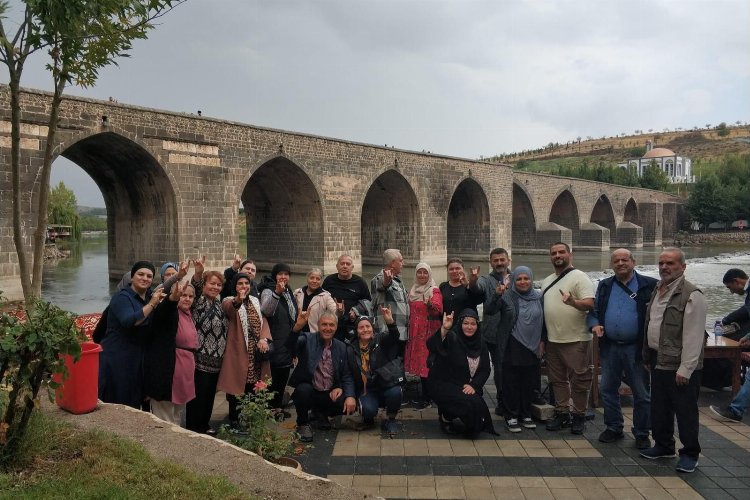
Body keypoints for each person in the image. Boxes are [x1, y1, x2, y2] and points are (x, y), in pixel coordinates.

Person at [640, 248, 707, 474]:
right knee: (660, 407)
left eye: (670, 263)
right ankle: (664, 445)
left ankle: (690, 454)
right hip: (660, 359)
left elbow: (694, 336)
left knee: (685, 410)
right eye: (661, 263)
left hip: (680, 364)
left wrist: (686, 369)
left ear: (683, 267)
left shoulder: (692, 294)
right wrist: (648, 356)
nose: (664, 268)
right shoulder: (658, 290)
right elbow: (653, 324)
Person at [587, 249, 657, 449]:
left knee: (641, 393)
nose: (620, 263)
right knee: (608, 389)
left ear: (633, 262)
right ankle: (614, 427)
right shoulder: (605, 285)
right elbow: (594, 312)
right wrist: (594, 324)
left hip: (636, 349)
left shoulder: (649, 285)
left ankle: (642, 432)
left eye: (624, 260)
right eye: (616, 260)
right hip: (610, 347)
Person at [541, 242, 595, 435]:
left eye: (561, 252)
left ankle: (579, 416)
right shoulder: (547, 281)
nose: (557, 255)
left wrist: (573, 302)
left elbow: (589, 303)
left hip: (576, 338)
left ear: (570, 254)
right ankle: (562, 413)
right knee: (558, 380)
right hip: (553, 339)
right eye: (554, 253)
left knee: (580, 380)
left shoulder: (580, 277)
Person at [99, 260, 166, 409]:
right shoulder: (121, 297)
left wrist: (180, 276)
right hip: (117, 358)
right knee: (117, 402)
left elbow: (165, 287)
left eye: (149, 276)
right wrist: (153, 304)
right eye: (140, 274)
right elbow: (130, 321)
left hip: (137, 359)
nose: (145, 278)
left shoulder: (148, 296)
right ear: (132, 277)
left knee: (134, 401)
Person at [289, 311, 356, 443]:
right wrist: (297, 328)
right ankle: (302, 423)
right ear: (318, 326)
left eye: (331, 325)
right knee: (303, 390)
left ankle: (320, 414)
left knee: (345, 401)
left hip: (328, 392)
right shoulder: (307, 339)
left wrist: (349, 395)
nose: (328, 328)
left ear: (336, 327)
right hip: (310, 390)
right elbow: (290, 347)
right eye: (324, 324)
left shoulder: (341, 347)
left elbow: (346, 374)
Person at [427, 309, 496, 437]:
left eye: (473, 324)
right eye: (466, 323)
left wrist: (474, 385)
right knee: (470, 403)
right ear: (460, 324)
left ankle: (468, 422)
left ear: (477, 325)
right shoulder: (452, 337)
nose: (469, 327)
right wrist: (444, 329)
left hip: (466, 385)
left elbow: (485, 369)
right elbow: (431, 345)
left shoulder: (481, 343)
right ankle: (446, 417)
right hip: (445, 384)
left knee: (477, 406)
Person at [492, 266, 544, 433]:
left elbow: (545, 320)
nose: (523, 282)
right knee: (511, 382)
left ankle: (526, 413)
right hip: (512, 343)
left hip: (533, 345)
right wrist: (497, 294)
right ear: (514, 280)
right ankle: (511, 415)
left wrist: (543, 341)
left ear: (531, 279)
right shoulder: (507, 296)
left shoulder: (539, 296)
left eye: (526, 278)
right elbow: (490, 310)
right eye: (519, 279)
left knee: (529, 381)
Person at [218, 272, 273, 427]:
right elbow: (230, 309)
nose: (244, 286)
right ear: (234, 286)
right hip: (239, 350)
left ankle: (249, 416)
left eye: (246, 284)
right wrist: (238, 300)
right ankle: (234, 418)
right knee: (236, 385)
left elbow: (263, 321)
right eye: (240, 284)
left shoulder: (255, 300)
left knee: (253, 384)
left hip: (255, 352)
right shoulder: (228, 300)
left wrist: (263, 338)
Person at [144, 280, 199, 425]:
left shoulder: (188, 314)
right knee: (165, 420)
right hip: (167, 373)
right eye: (183, 295)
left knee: (178, 416)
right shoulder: (168, 312)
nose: (187, 298)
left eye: (190, 296)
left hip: (184, 371)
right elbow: (166, 309)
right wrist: (172, 298)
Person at [346, 306, 403, 437]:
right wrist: (350, 395)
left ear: (372, 328)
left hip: (384, 383)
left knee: (396, 392)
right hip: (367, 389)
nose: (365, 329)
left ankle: (390, 419)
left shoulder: (380, 340)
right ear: (356, 331)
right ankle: (368, 418)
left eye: (368, 326)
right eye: (361, 327)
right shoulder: (350, 349)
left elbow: (394, 336)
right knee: (368, 410)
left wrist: (390, 322)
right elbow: (348, 374)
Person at [186, 257, 228, 434]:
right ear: (204, 285)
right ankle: (194, 427)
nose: (215, 287)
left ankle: (204, 424)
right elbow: (193, 287)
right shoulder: (199, 301)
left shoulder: (219, 304)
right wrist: (198, 273)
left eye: (219, 285)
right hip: (200, 360)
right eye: (212, 284)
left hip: (216, 360)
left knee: (209, 395)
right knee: (198, 396)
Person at [259, 263, 303, 417]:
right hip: (275, 339)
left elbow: (292, 315)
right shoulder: (268, 290)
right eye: (280, 274)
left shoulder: (288, 290)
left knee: (283, 375)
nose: (283, 277)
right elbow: (265, 310)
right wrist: (277, 293)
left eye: (286, 274)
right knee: (274, 375)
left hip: (287, 340)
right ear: (274, 275)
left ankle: (277, 407)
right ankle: (270, 409)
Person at [475, 248, 513, 415]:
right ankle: (501, 399)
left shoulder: (518, 278)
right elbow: (477, 288)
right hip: (492, 334)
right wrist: (472, 281)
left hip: (514, 332)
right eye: (495, 260)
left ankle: (519, 397)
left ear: (508, 260)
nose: (499, 263)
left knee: (513, 367)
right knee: (499, 367)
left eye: (502, 260)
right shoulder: (487, 280)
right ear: (490, 262)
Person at [405, 263, 442, 409]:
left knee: (427, 364)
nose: (422, 275)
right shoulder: (413, 290)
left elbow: (438, 311)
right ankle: (424, 395)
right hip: (415, 332)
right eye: (419, 272)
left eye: (425, 272)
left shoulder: (434, 290)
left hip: (428, 332)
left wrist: (429, 305)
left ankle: (428, 397)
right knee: (421, 364)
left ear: (429, 274)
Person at [322, 254, 372, 341]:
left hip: (353, 324)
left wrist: (356, 310)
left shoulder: (360, 282)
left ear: (352, 267)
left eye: (348, 264)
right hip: (333, 324)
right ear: (337, 266)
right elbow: (321, 299)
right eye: (342, 264)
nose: (345, 266)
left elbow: (368, 302)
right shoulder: (329, 281)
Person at [370, 249, 409, 345]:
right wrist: (387, 281)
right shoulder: (378, 278)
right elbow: (383, 285)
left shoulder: (398, 281)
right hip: (387, 333)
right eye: (400, 260)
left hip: (402, 333)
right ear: (392, 263)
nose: (403, 263)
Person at [293, 268, 337, 333]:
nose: (314, 281)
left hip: (315, 332)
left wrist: (339, 311)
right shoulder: (297, 293)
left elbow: (335, 312)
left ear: (321, 281)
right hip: (297, 329)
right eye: (312, 278)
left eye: (318, 279)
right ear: (307, 278)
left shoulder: (325, 296)